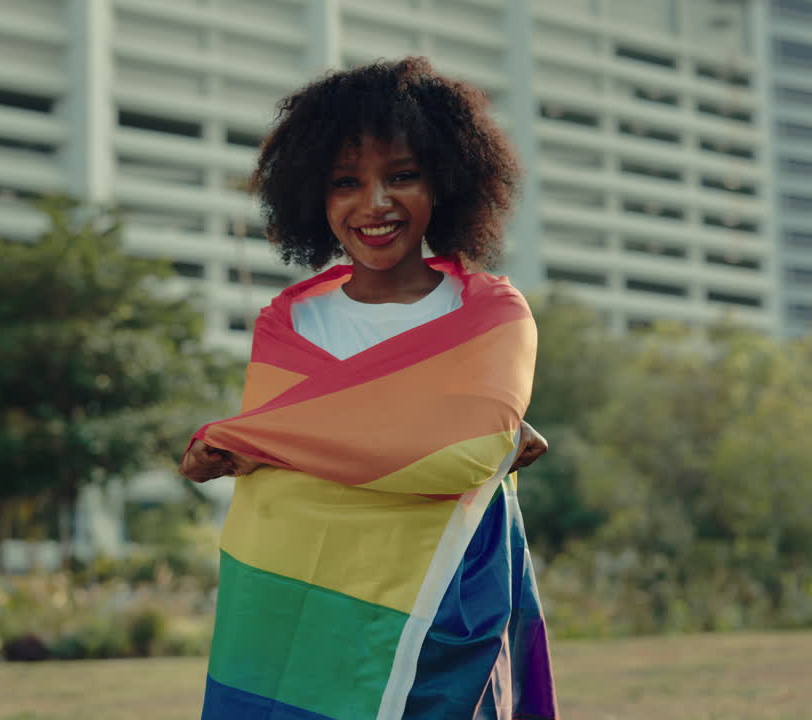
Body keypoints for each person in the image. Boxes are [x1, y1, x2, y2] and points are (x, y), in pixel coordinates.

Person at [181, 57, 558, 720]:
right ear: (312, 197)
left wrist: (252, 439)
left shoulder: (491, 313)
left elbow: (464, 452)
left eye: (402, 176)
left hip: (447, 610)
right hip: (307, 617)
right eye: (345, 182)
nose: (375, 203)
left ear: (445, 180)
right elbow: (287, 493)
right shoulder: (290, 323)